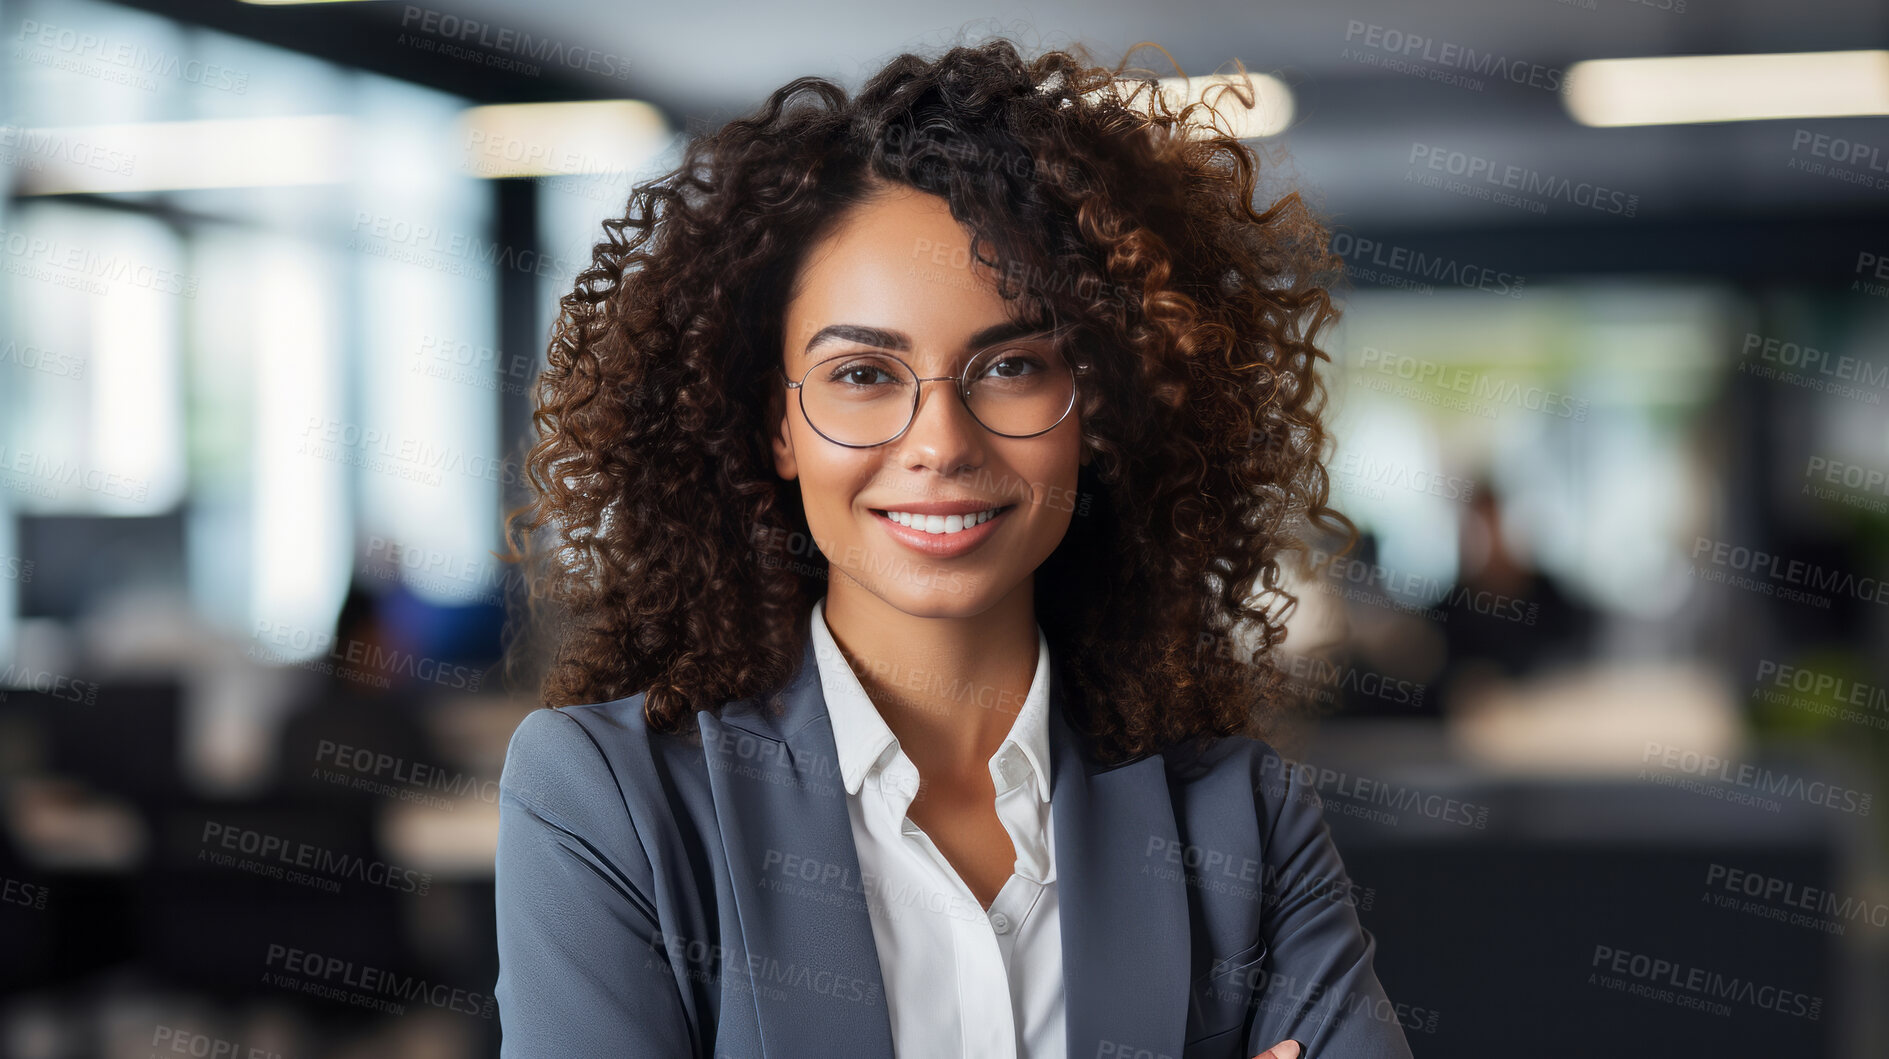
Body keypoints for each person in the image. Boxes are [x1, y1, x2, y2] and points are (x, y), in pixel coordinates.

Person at [493, 37, 1413, 1059]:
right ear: (775, 427)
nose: (939, 444)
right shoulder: (605, 800)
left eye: (1011, 364)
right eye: (861, 375)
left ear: (1095, 407)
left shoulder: (1237, 817)